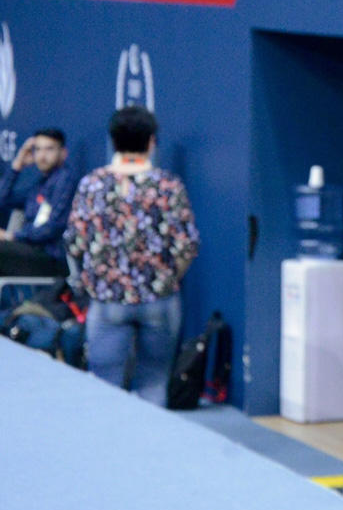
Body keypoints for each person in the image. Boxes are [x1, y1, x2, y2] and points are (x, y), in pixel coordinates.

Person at [65, 106, 199, 406]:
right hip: (159, 299)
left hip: (107, 298)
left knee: (104, 385)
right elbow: (186, 246)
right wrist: (165, 278)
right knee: (153, 383)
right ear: (152, 142)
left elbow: (74, 242)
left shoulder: (93, 184)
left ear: (112, 141)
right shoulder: (167, 185)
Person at [0, 128, 77, 279]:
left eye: (49, 149)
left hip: (51, 259)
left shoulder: (65, 180)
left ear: (63, 153)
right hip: (29, 251)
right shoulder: (39, 185)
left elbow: (53, 227)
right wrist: (17, 165)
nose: (42, 155)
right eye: (38, 149)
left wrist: (11, 235)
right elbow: (2, 199)